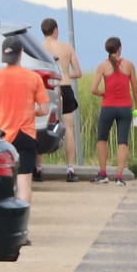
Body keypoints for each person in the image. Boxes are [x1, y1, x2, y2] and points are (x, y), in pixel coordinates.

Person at [0, 40, 54, 206]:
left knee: (3, 182)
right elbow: (44, 109)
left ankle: (5, 216)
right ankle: (23, 216)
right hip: (26, 135)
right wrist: (29, 110)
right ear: (20, 54)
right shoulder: (34, 77)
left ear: (3, 55)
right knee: (24, 183)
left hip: (3, 136)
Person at [38, 16, 83, 183]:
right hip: (65, 87)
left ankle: (38, 168)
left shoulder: (39, 48)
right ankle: (70, 169)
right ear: (56, 30)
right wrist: (64, 74)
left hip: (47, 89)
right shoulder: (67, 47)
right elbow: (78, 72)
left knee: (41, 126)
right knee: (69, 129)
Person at [88, 36, 137, 184]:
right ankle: (119, 176)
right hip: (125, 108)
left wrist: (103, 93)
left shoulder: (103, 66)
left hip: (108, 107)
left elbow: (93, 89)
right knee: (123, 141)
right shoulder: (129, 65)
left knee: (102, 139)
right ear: (120, 49)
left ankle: (103, 173)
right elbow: (135, 88)